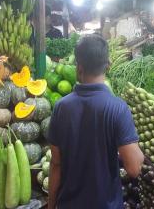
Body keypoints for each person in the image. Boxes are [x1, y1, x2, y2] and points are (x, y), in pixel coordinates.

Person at [47, 35, 144, 209]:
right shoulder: (118, 108)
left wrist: (52, 204)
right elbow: (134, 168)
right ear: (108, 65)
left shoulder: (61, 107)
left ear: (79, 68)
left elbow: (56, 163)